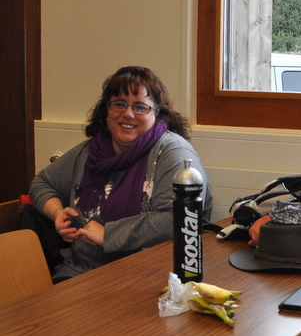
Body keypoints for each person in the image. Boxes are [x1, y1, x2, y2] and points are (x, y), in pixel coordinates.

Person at [29, 66, 213, 282]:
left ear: (156, 113)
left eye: (140, 107)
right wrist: (57, 213)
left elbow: (178, 218)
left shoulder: (173, 152)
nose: (128, 114)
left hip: (148, 278)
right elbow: (41, 182)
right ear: (107, 110)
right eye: (119, 104)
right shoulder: (89, 152)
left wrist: (109, 235)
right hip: (78, 273)